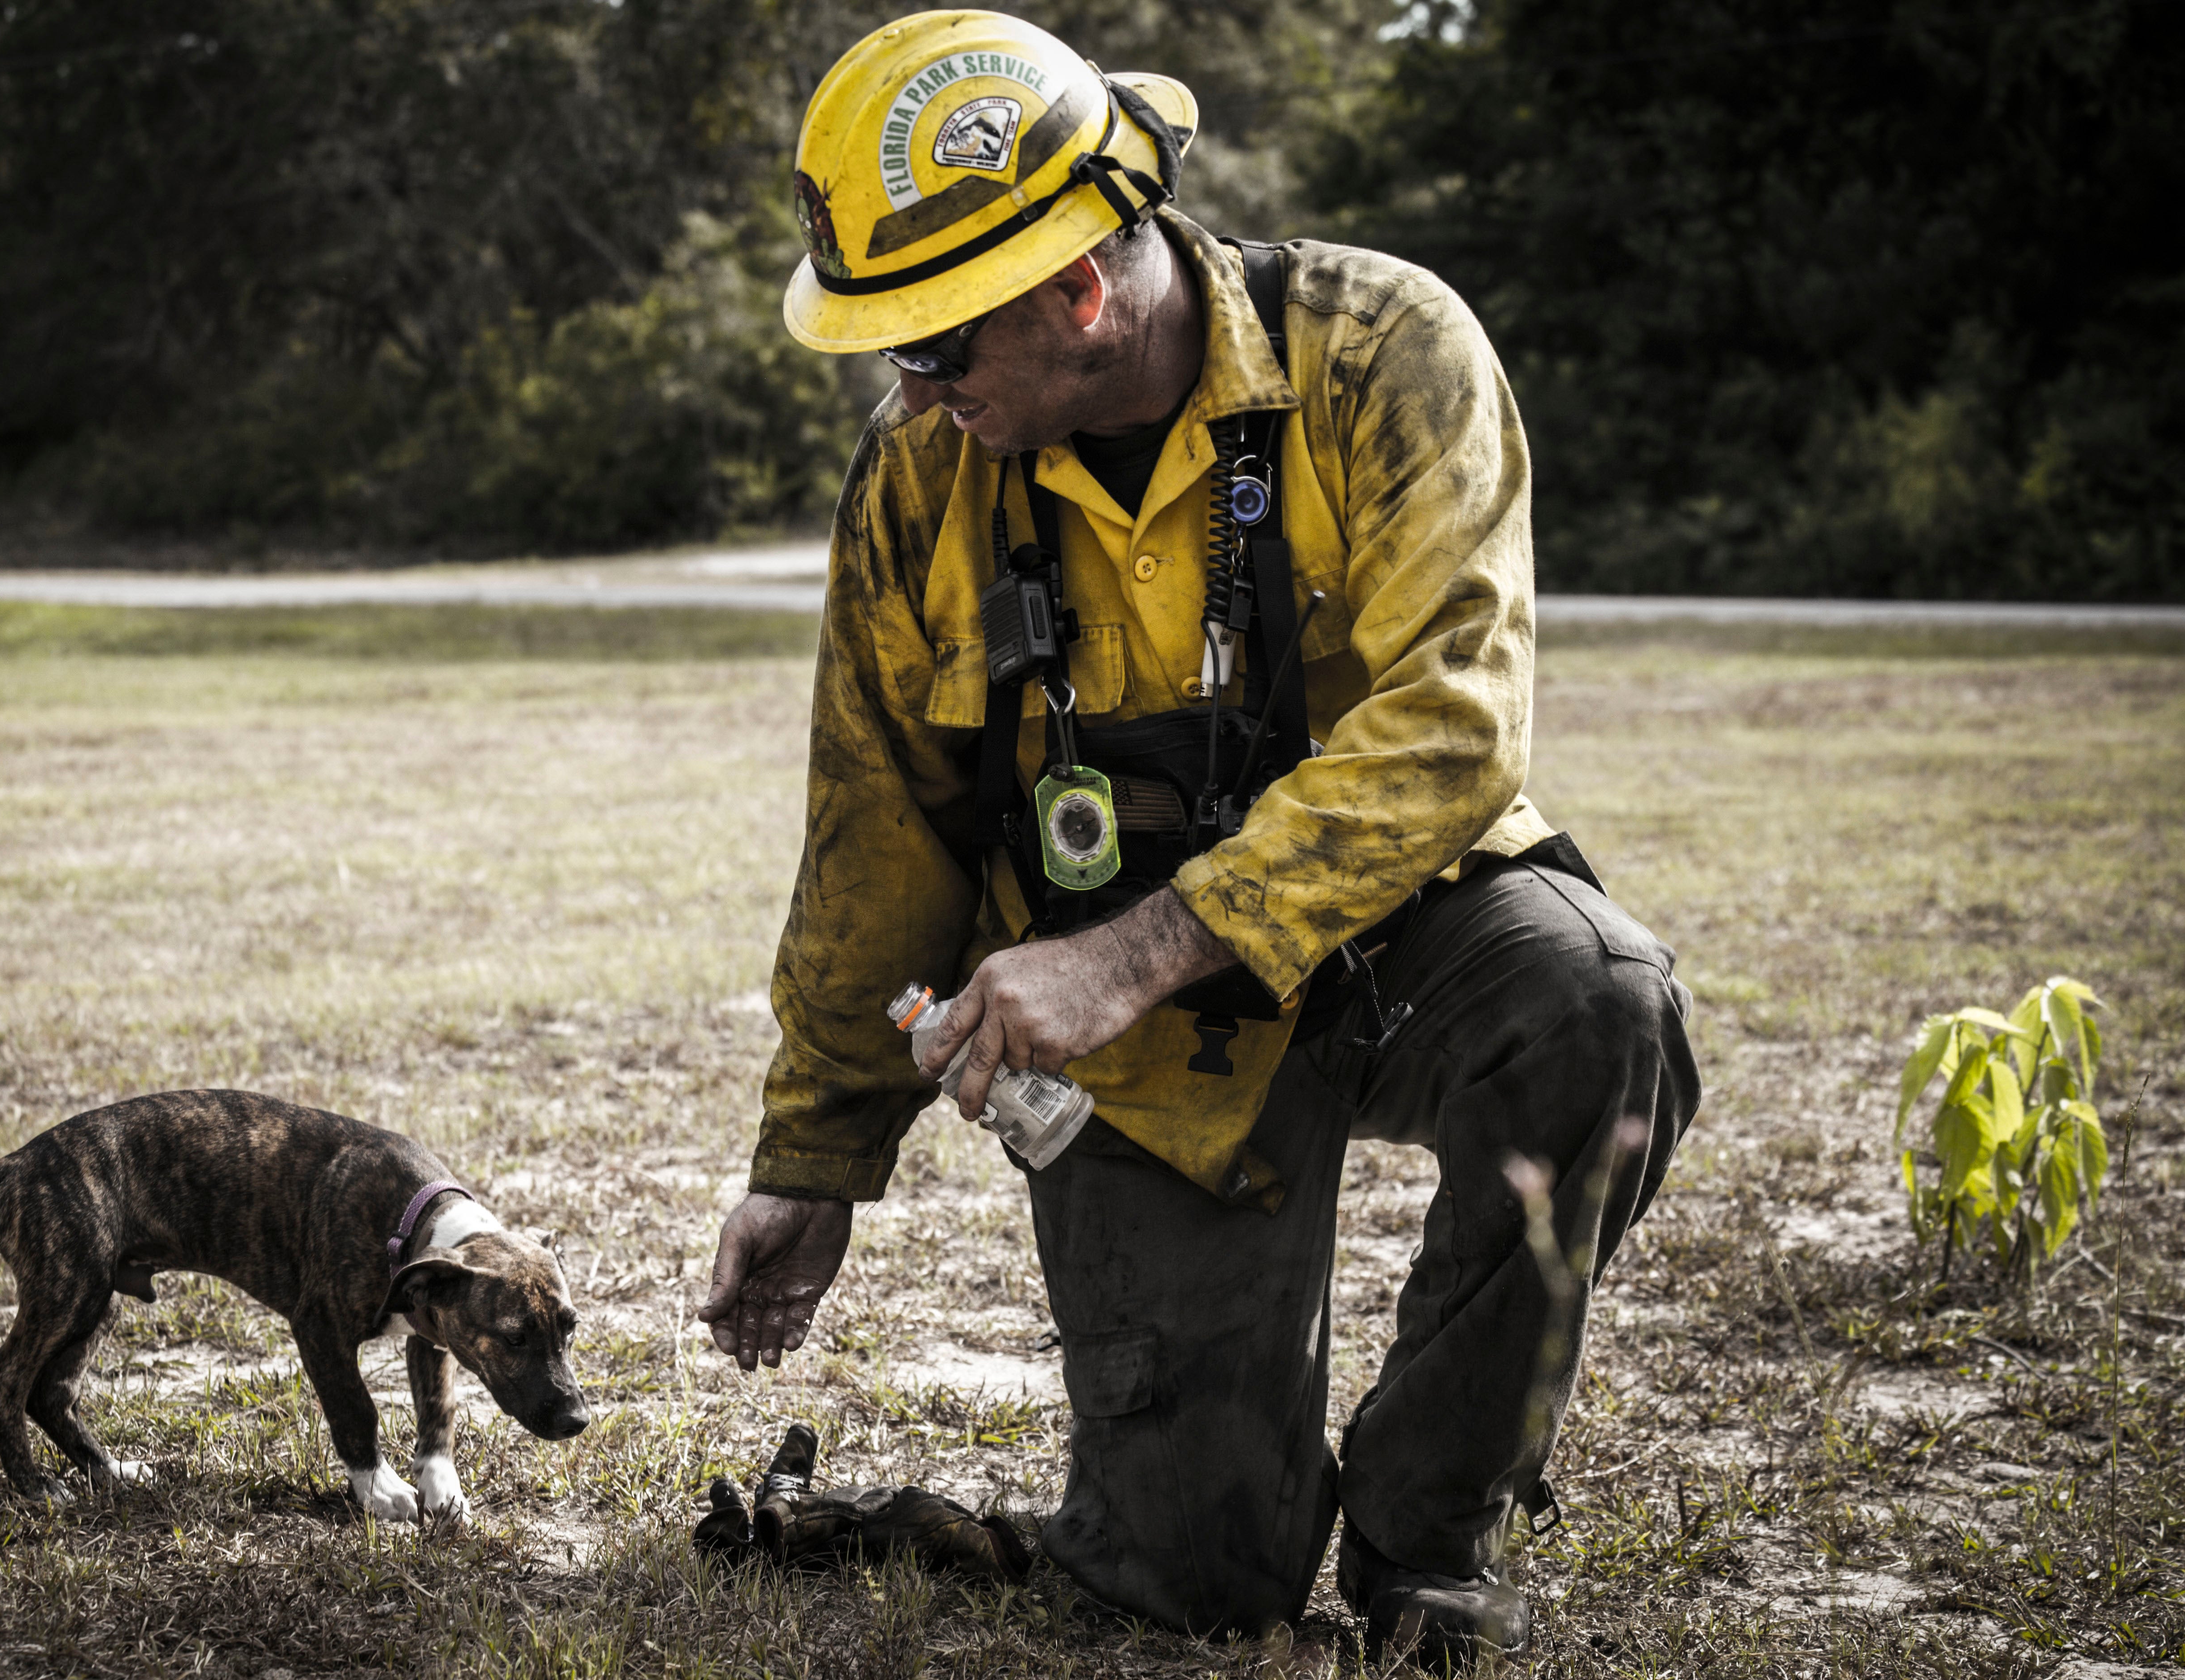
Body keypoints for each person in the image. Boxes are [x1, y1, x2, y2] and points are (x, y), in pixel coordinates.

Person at [695, 10, 1701, 1666]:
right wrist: (814, 1160)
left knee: (1600, 995)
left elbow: (1456, 730)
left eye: (939, 350)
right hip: (1147, 1055)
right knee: (1199, 1582)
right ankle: (1209, 1512)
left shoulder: (1383, 351)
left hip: (1396, 944)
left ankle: (1423, 1527)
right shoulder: (918, 479)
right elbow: (881, 821)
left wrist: (1139, 947)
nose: (914, 392)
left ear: (1080, 292)